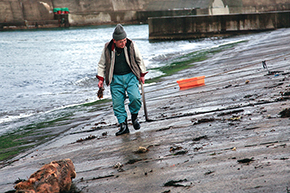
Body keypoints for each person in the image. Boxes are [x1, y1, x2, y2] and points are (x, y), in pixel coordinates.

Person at [96, 24, 147, 136]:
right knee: (117, 103)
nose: (123, 43)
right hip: (115, 79)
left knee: (135, 98)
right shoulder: (107, 48)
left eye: (124, 40)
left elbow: (139, 59)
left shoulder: (131, 45)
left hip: (131, 76)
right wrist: (101, 79)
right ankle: (123, 125)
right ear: (114, 41)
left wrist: (142, 74)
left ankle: (134, 117)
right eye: (120, 41)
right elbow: (102, 64)